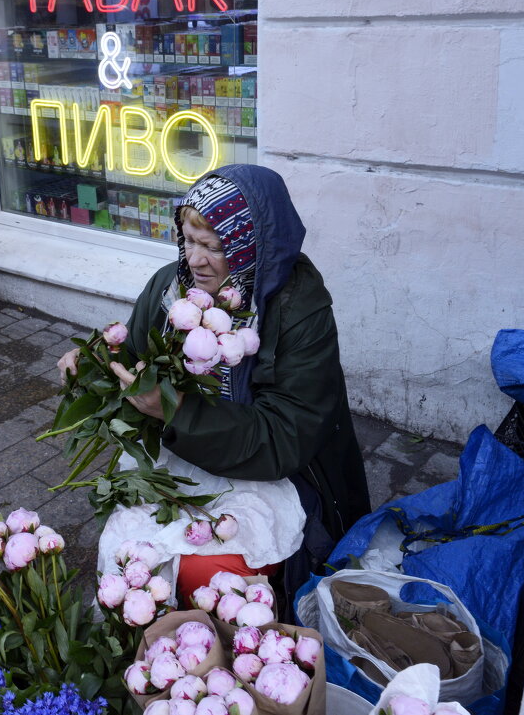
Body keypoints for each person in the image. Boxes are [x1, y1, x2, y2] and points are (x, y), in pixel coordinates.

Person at [58, 164, 370, 605]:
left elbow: (285, 437)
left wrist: (177, 412)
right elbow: (131, 357)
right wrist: (92, 364)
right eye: (188, 240)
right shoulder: (172, 286)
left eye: (213, 247)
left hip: (277, 470)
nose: (194, 259)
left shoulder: (299, 309)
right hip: (185, 449)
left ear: (247, 247)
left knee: (209, 571)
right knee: (136, 552)